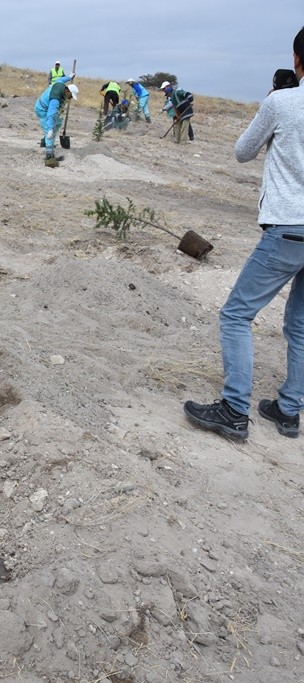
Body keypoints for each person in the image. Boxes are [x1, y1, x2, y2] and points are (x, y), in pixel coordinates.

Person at [184, 26, 304, 442]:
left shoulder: (283, 102)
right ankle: (288, 411)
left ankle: (235, 409)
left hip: (290, 228)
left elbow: (242, 151)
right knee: (302, 326)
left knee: (236, 314)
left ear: (297, 60)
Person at [34, 73, 77, 167]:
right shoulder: (55, 100)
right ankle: (49, 157)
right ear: (67, 91)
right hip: (42, 110)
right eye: (70, 96)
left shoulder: (60, 85)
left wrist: (69, 77)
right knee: (50, 132)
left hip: (47, 108)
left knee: (58, 123)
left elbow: (60, 80)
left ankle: (49, 144)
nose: (70, 98)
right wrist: (50, 129)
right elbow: (51, 114)